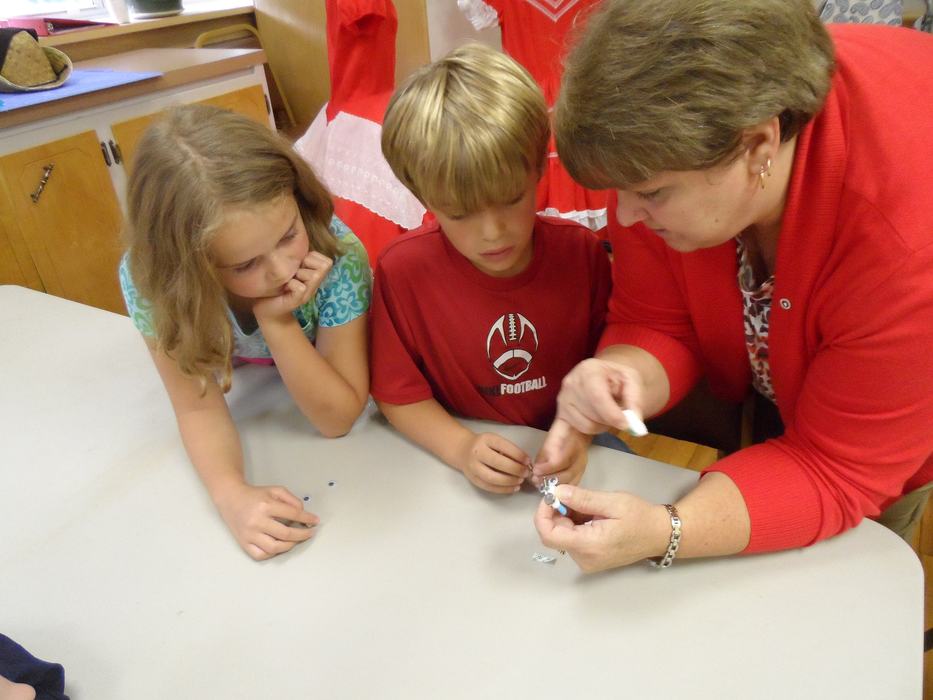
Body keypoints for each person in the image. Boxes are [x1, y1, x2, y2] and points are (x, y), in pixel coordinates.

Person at [533, 0, 933, 572]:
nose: (626, 215)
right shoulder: (668, 152)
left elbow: (839, 470)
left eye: (651, 193)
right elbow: (655, 317)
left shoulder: (906, 242)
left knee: (847, 578)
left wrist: (667, 531)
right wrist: (621, 376)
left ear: (759, 147)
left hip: (896, 404)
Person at [119, 105, 371, 560]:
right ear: (188, 268)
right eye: (245, 264)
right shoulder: (151, 282)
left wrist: (276, 321)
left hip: (314, 379)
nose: (282, 270)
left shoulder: (338, 253)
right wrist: (230, 493)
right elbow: (197, 410)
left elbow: (337, 418)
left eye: (288, 235)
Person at [371, 43, 612, 495]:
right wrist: (461, 448)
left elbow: (610, 367)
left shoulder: (582, 254)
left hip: (581, 449)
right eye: (460, 213)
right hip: (461, 457)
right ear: (423, 197)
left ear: (540, 167)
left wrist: (579, 433)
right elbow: (397, 395)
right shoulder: (402, 272)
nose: (493, 232)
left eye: (511, 198)